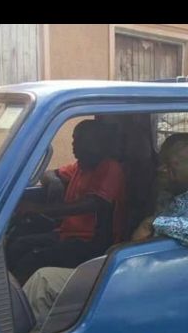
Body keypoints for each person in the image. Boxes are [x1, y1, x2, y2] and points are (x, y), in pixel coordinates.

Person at [23, 133, 188, 328]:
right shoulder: (168, 194)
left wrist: (155, 223)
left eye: (170, 164)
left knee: (44, 281)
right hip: (133, 272)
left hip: (153, 286)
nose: (160, 169)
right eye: (161, 163)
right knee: (43, 278)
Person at [7, 119, 126, 285]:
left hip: (92, 244)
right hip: (66, 234)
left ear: (97, 144)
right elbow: (48, 174)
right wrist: (54, 181)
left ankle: (22, 304)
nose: (74, 146)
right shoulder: (80, 166)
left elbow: (91, 204)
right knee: (19, 244)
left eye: (80, 141)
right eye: (74, 140)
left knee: (32, 259)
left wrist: (39, 209)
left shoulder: (109, 168)